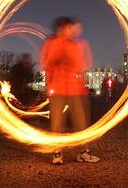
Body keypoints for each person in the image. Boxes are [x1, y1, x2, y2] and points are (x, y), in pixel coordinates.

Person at [40, 17, 100, 165]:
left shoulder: (75, 45)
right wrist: (58, 57)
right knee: (56, 124)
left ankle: (83, 152)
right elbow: (45, 63)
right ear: (60, 29)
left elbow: (82, 64)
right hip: (58, 89)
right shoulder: (51, 43)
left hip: (75, 90)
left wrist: (79, 51)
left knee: (80, 123)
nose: (69, 31)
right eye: (66, 28)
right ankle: (57, 154)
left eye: (70, 28)